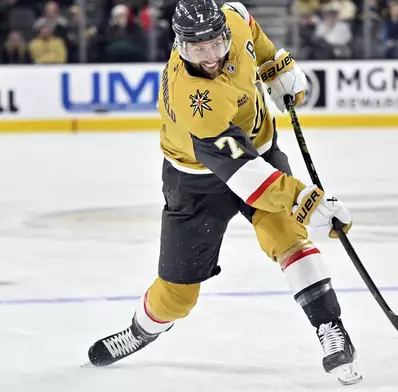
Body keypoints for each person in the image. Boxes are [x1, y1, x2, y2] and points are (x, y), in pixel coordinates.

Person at [86, 0, 361, 385]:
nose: (211, 57)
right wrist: (304, 200)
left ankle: (330, 329)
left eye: (216, 44)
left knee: (287, 236)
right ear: (181, 46)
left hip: (259, 150)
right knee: (177, 296)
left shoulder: (231, 17)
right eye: (198, 49)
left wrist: (274, 64)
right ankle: (140, 331)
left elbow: (249, 25)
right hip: (197, 181)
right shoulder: (195, 98)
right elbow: (248, 178)